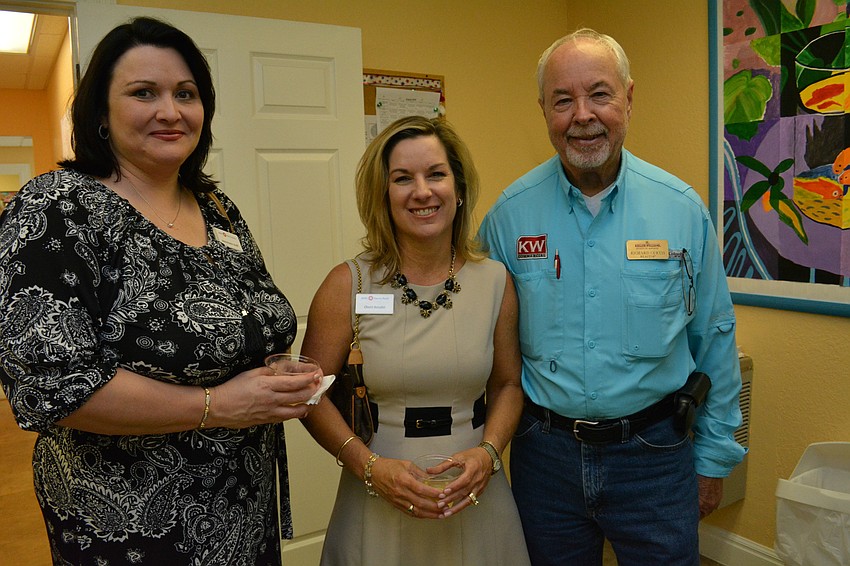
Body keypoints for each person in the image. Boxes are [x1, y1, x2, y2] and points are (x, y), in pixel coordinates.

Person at [0, 17, 319, 564]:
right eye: (143, 93)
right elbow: (48, 386)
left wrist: (272, 372)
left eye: (185, 94)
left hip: (242, 504)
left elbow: (243, 321)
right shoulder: (58, 209)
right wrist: (216, 405)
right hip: (130, 524)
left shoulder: (217, 210)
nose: (170, 111)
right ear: (101, 113)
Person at [477, 28, 747, 565]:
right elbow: (482, 345)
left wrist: (714, 459)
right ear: (543, 110)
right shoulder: (508, 218)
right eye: (562, 100)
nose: (583, 115)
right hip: (544, 460)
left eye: (599, 94)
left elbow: (714, 337)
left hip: (656, 457)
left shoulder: (681, 211)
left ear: (628, 97)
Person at [300, 116, 530, 565]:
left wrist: (489, 454)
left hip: (475, 495)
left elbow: (508, 384)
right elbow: (310, 394)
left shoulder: (495, 281)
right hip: (378, 494)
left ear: (458, 188)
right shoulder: (349, 284)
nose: (422, 191)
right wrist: (368, 467)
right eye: (402, 178)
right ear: (383, 195)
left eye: (436, 174)